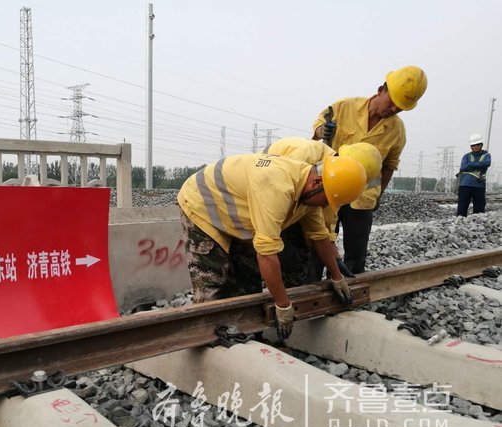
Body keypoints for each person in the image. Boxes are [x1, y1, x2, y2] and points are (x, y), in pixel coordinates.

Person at [177, 152, 367, 341]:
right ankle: (207, 340)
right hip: (202, 205)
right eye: (326, 200)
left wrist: (336, 276)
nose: (325, 206)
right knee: (213, 283)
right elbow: (267, 254)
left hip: (236, 215)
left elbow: (319, 237)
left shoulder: (307, 191)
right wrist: (283, 305)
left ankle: (247, 332)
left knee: (249, 279)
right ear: (317, 184)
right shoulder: (276, 187)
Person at [312, 66, 428, 274]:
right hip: (329, 191)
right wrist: (322, 130)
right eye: (392, 102)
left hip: (363, 197)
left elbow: (389, 166)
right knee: (318, 244)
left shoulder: (397, 131)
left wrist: (379, 195)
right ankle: (310, 287)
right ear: (380, 90)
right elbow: (319, 127)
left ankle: (347, 291)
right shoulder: (344, 107)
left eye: (400, 108)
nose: (393, 109)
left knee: (355, 255)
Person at [263, 137, 382, 282]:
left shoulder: (332, 177)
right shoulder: (303, 156)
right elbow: (277, 194)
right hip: (269, 192)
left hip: (291, 195)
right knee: (279, 248)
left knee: (309, 245)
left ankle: (298, 287)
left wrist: (335, 258)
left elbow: (327, 221)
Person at [456, 133, 491, 216]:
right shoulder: (466, 156)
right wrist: (478, 164)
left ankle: (477, 226)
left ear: (481, 145)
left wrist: (470, 164)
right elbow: (463, 167)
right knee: (462, 209)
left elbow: (486, 163)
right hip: (465, 185)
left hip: (478, 185)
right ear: (471, 146)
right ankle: (460, 225)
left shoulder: (486, 155)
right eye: (473, 145)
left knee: (479, 210)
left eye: (477, 144)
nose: (475, 147)